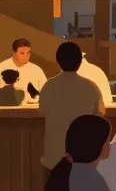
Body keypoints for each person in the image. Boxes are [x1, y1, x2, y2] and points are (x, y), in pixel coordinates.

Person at [39, 42, 105, 170]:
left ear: (58, 61)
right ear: (80, 62)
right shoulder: (90, 86)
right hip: (83, 156)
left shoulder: (48, 86)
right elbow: (101, 112)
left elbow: (42, 111)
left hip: (54, 158)